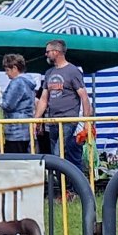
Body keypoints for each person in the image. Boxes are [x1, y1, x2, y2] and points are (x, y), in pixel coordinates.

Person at [34, 39, 92, 173]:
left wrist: (86, 121)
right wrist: (36, 119)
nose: (46, 54)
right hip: (53, 120)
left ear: (56, 52)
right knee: (57, 155)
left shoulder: (72, 71)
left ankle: (68, 183)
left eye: (48, 51)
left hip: (68, 119)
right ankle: (63, 184)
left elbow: (84, 96)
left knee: (58, 154)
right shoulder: (49, 73)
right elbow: (43, 99)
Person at [0, 53, 41, 154]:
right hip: (26, 128)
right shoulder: (28, 82)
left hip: (15, 130)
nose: (6, 73)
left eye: (7, 70)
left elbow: (7, 105)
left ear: (14, 68)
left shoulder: (17, 82)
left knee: (15, 158)